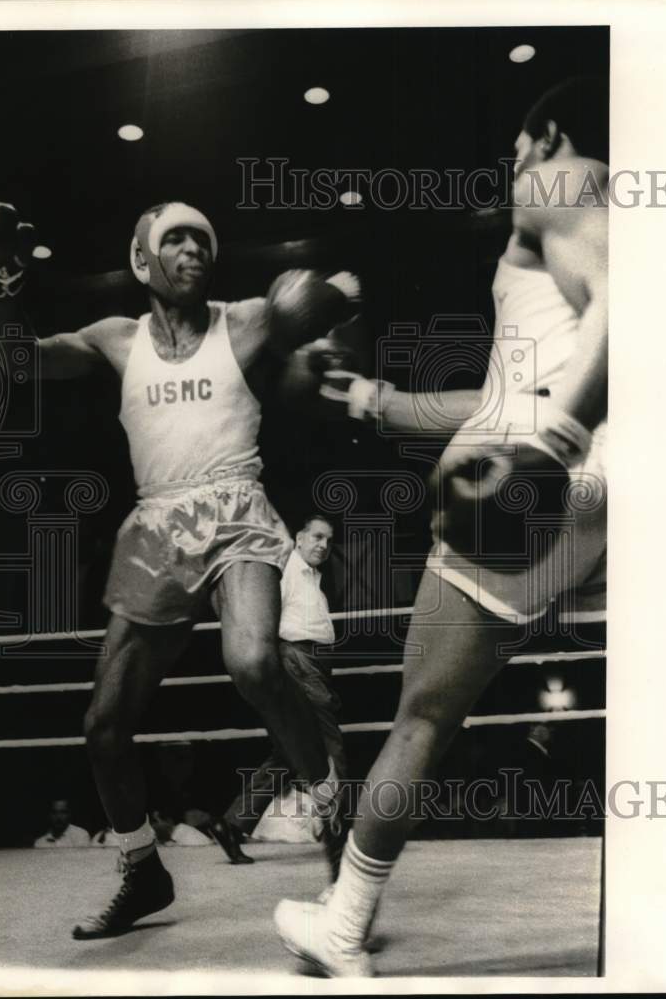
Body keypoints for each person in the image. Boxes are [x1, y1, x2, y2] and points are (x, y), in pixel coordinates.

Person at [275, 76, 608, 976]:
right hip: (618, 489)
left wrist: (551, 445)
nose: (512, 166)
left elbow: (615, 327)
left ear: (548, 133)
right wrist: (384, 400)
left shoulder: (564, 178)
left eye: (516, 146)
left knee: (422, 717)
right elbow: (520, 384)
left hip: (540, 473)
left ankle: (341, 930)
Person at [0, 200, 360, 938]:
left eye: (202, 240)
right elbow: (15, 361)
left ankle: (330, 806)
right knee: (103, 726)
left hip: (238, 508)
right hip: (157, 525)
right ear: (142, 260)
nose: (193, 250)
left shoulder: (245, 321)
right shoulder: (115, 340)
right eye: (175, 239)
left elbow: (321, 317)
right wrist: (3, 278)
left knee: (252, 661)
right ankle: (142, 871)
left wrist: (338, 297)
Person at [220, 514, 346, 860]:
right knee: (328, 743)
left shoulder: (310, 576)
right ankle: (342, 833)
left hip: (310, 660)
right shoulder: (288, 568)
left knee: (288, 754)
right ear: (299, 537)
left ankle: (232, 824)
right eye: (317, 537)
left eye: (329, 540)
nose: (323, 545)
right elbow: (266, 620)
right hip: (298, 659)